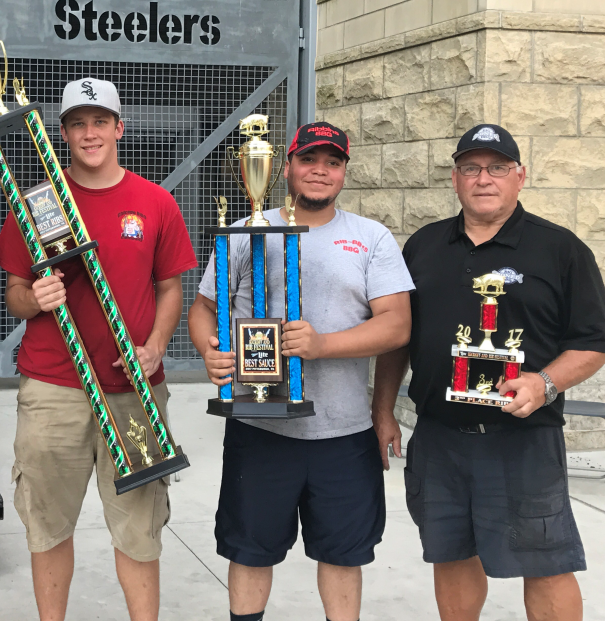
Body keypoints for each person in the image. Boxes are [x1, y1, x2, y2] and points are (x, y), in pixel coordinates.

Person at [372, 124, 605, 621]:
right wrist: (383, 410)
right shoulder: (423, 246)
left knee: (547, 563)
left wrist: (544, 383)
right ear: (454, 178)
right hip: (439, 437)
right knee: (451, 553)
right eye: (471, 168)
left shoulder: (561, 250)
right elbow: (397, 338)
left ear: (521, 176)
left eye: (498, 167)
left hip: (524, 438)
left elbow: (592, 342)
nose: (484, 178)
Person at [187, 121, 414, 621]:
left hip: (343, 432)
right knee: (250, 551)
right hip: (259, 427)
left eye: (332, 162)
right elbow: (203, 308)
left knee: (342, 555)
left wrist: (322, 345)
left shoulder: (370, 237)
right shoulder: (247, 230)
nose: (320, 171)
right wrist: (210, 348)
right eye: (308, 159)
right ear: (285, 166)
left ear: (344, 172)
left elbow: (397, 325)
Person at [0, 78, 198, 621]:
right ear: (61, 134)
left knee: (139, 529)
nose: (90, 133)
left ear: (119, 128)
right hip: (53, 388)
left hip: (133, 390)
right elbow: (14, 292)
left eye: (100, 121)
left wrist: (155, 348)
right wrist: (35, 298)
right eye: (78, 123)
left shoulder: (155, 202)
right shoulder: (38, 203)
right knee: (47, 525)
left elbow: (170, 287)